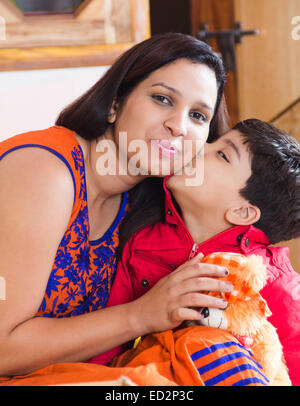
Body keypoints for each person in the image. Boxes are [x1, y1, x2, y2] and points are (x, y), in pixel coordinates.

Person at [0, 33, 234, 377]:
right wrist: (140, 315)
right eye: (162, 99)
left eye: (198, 116)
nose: (178, 126)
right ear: (114, 104)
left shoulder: (141, 199)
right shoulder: (45, 171)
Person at [88, 119, 300, 386]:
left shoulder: (275, 282)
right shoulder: (143, 240)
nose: (200, 146)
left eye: (222, 155)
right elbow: (110, 339)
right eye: (212, 142)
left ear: (242, 212)